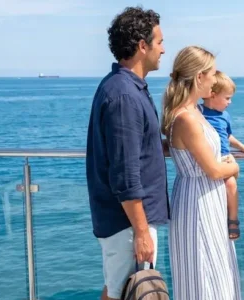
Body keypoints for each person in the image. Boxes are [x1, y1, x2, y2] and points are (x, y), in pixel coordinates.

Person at [85, 6, 166, 300]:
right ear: (142, 46)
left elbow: (136, 150)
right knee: (125, 292)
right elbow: (125, 172)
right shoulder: (124, 95)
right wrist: (141, 231)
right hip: (127, 224)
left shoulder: (126, 88)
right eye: (159, 42)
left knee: (122, 290)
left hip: (127, 222)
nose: (163, 50)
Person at [163, 45, 241, 300]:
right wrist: (234, 165)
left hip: (205, 198)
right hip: (198, 201)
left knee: (212, 272)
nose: (214, 79)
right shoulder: (186, 118)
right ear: (199, 77)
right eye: (212, 73)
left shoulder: (194, 111)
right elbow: (214, 169)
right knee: (204, 274)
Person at [198, 70, 244, 240]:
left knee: (230, 184)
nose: (230, 102)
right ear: (212, 95)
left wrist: (241, 146)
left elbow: (227, 135)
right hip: (207, 158)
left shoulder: (225, 116)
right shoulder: (198, 112)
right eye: (227, 98)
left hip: (223, 158)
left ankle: (232, 218)